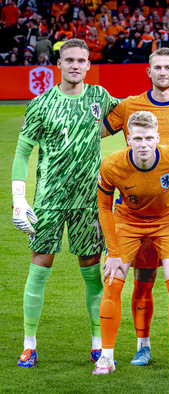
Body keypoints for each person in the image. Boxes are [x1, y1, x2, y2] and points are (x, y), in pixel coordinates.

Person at [11, 39, 119, 368]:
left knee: (91, 272)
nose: (75, 65)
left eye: (81, 60)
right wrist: (18, 197)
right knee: (39, 268)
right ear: (59, 63)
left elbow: (135, 110)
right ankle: (29, 344)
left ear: (88, 65)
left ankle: (98, 344)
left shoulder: (100, 97)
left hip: (89, 198)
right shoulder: (41, 103)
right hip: (49, 198)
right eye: (68, 59)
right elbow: (22, 152)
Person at [102, 47, 169, 367]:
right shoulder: (130, 106)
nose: (163, 72)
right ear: (148, 72)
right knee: (143, 278)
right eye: (157, 67)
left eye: (168, 67)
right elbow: (95, 127)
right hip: (137, 206)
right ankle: (142, 345)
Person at [93, 111, 169, 375]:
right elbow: (104, 209)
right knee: (112, 281)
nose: (144, 144)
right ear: (128, 139)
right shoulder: (112, 164)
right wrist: (112, 253)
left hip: (167, 219)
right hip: (128, 220)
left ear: (158, 137)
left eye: (149, 138)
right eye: (138, 138)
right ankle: (106, 357)